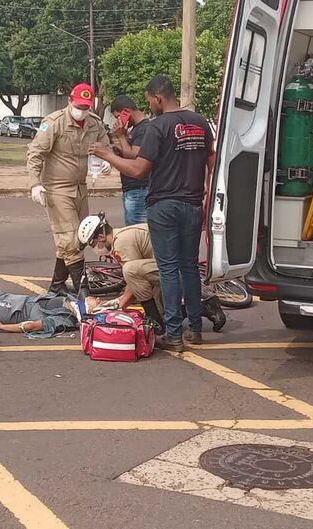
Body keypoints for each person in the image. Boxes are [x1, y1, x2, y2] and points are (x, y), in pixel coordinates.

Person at [90, 75, 213, 352]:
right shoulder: (200, 123)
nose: (150, 106)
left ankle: (173, 334)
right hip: (193, 204)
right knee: (190, 267)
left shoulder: (158, 126)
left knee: (169, 269)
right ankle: (195, 328)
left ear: (158, 98)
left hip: (164, 206)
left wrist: (106, 155)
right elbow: (212, 161)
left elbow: (139, 170)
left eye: (149, 101)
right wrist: (206, 196)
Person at [77, 213, 225, 335]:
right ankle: (205, 307)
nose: (94, 248)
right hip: (174, 269)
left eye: (92, 243)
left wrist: (119, 305)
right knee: (160, 307)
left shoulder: (121, 242)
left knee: (130, 271)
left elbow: (133, 278)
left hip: (174, 271)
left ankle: (157, 321)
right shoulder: (121, 237)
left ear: (101, 236)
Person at [27, 83, 110, 295]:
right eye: (79, 106)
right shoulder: (54, 122)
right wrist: (35, 183)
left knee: (79, 238)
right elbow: (36, 153)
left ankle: (56, 286)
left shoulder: (94, 123)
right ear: (69, 101)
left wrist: (107, 160)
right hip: (57, 188)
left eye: (86, 107)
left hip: (81, 188)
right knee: (71, 239)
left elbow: (105, 146)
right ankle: (84, 293)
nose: (82, 111)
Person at [0, 292, 102, 337]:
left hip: (15, 311)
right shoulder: (74, 302)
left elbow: (32, 326)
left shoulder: (66, 320)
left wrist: (2, 326)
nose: (98, 298)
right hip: (21, 300)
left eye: (97, 302)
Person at [109, 95, 151, 225]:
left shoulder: (144, 128)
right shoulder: (136, 129)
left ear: (126, 111)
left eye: (118, 116)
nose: (118, 120)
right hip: (133, 190)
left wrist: (121, 136)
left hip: (139, 190)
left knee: (137, 234)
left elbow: (134, 156)